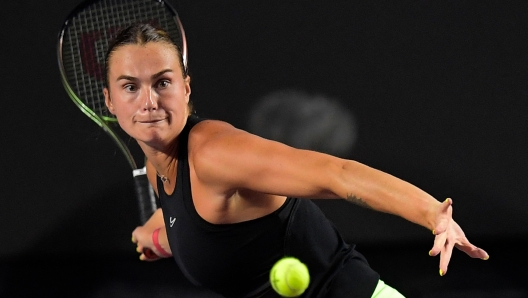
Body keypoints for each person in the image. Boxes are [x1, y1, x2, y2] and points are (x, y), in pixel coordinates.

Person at [103, 23, 488, 298]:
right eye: (131, 87)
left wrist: (431, 213)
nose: (149, 101)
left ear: (185, 89)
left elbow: (337, 174)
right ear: (109, 101)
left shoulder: (215, 154)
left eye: (163, 82)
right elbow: (195, 227)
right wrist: (154, 235)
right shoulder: (159, 167)